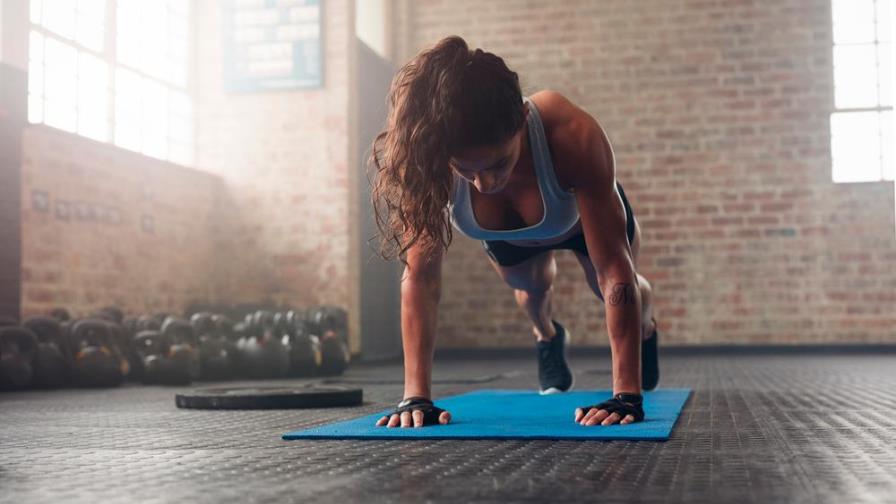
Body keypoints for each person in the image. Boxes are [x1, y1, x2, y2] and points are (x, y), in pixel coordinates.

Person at [368, 36, 659, 429]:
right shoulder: (429, 160)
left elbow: (612, 269)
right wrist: (415, 397)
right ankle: (548, 336)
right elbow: (421, 276)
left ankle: (646, 326)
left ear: (522, 119)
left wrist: (626, 395)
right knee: (531, 291)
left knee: (614, 289)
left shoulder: (572, 134)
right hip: (509, 235)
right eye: (465, 170)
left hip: (580, 220)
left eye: (498, 163)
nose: (484, 184)